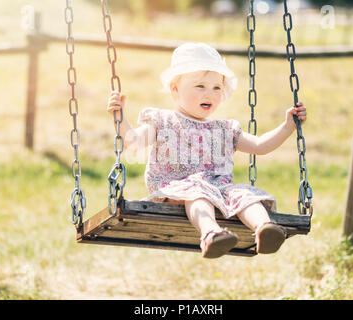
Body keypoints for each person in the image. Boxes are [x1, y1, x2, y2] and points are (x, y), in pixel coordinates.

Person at [107, 42, 307, 259]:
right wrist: (120, 117)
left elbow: (260, 146)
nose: (209, 94)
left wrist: (288, 126)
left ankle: (265, 229)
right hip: (174, 188)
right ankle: (211, 234)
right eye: (200, 86)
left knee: (245, 194)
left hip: (219, 190)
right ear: (175, 90)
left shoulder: (224, 129)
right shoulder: (162, 121)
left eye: (217, 88)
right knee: (198, 193)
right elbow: (134, 141)